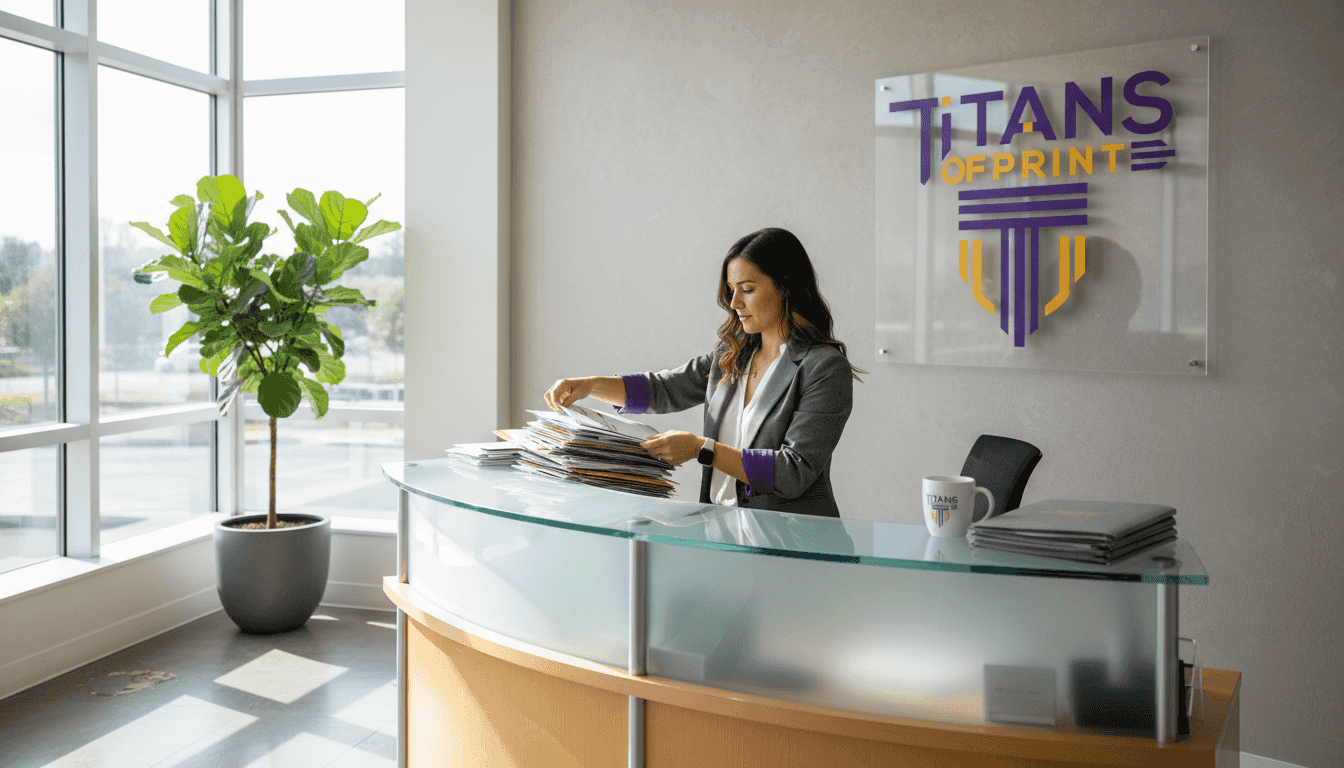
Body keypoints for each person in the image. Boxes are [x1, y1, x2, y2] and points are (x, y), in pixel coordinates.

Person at [545, 227, 862, 518]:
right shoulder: (732, 356)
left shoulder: (824, 367)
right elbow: (664, 390)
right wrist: (589, 386)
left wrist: (702, 449)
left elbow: (794, 473)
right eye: (731, 289)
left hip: (792, 548)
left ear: (786, 286)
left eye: (747, 289)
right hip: (721, 534)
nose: (734, 302)